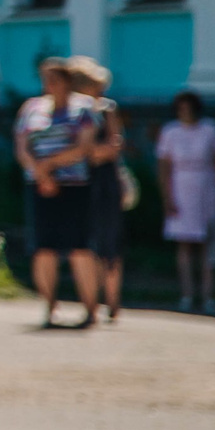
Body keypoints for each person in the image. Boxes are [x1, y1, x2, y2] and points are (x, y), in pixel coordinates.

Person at [15, 58, 100, 329]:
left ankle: (90, 308)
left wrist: (50, 166)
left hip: (74, 186)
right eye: (45, 78)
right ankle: (50, 308)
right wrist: (41, 174)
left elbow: (84, 147)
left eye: (55, 79)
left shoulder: (83, 108)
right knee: (44, 248)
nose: (49, 84)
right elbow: (22, 147)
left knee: (79, 247)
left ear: (67, 81)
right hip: (40, 186)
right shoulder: (32, 108)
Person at [68, 58, 128, 323]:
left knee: (109, 241)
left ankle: (112, 302)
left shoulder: (106, 109)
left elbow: (114, 146)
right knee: (85, 242)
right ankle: (91, 302)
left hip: (104, 181)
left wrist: (86, 153)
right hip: (78, 181)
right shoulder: (70, 111)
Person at [155, 91, 215, 311]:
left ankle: (209, 296)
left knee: (208, 243)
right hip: (181, 187)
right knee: (184, 244)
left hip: (206, 188)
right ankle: (187, 294)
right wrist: (167, 197)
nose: (185, 112)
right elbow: (164, 167)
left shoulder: (210, 129)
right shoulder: (170, 132)